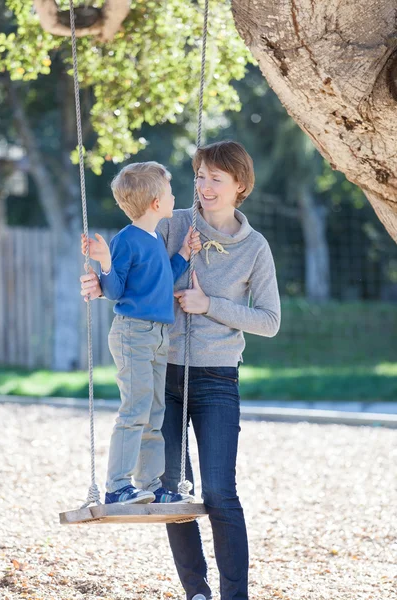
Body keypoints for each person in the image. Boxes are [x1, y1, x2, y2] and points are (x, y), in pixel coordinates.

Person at [80, 142, 281, 600]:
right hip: (161, 370)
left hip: (216, 379)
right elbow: (129, 267)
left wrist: (211, 306)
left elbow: (270, 320)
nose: (204, 188)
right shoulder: (172, 221)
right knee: (174, 494)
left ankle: (235, 595)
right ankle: (197, 592)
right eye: (200, 177)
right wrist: (100, 279)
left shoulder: (255, 247)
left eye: (216, 179)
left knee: (220, 494)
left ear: (240, 186)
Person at [81, 161, 202, 506]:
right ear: (155, 204)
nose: (175, 197)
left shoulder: (152, 239)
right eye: (169, 192)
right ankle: (117, 486)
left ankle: (150, 485)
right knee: (135, 410)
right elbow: (116, 290)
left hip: (159, 335)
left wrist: (183, 253)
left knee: (155, 412)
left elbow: (163, 278)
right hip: (133, 333)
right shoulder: (126, 240)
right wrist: (104, 261)